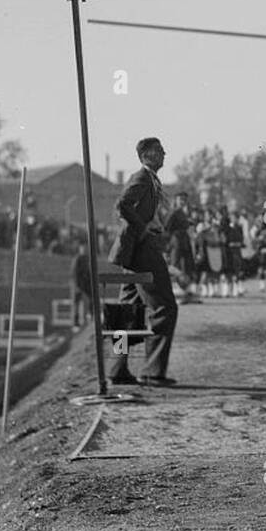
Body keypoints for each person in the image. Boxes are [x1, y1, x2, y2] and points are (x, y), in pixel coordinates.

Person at [107, 136, 178, 387]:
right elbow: (122, 205)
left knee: (126, 311)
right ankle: (152, 371)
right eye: (159, 150)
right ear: (147, 155)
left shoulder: (151, 180)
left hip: (134, 252)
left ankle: (116, 368)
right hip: (143, 251)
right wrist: (144, 230)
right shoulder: (141, 178)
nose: (164, 154)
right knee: (164, 308)